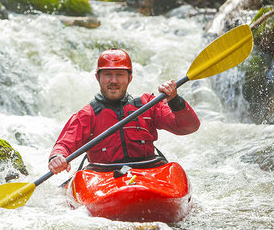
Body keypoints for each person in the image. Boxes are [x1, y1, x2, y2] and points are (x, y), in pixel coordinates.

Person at [48, 48, 200, 174]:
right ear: (97, 77)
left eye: (119, 74)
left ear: (130, 78)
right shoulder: (87, 115)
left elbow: (189, 126)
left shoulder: (148, 105)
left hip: (147, 172)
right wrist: (57, 157)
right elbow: (63, 145)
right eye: (108, 74)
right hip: (104, 177)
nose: (113, 81)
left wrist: (174, 99)